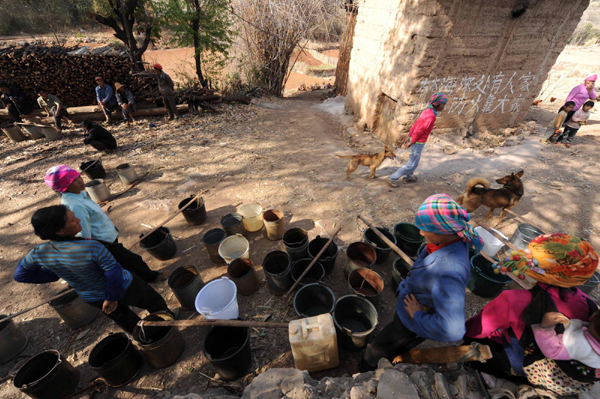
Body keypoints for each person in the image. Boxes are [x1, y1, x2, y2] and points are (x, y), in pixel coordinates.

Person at [360, 193, 483, 371]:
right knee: (395, 341)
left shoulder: (451, 270)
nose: (421, 232)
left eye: (426, 229)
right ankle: (391, 354)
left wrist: (420, 315)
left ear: (444, 231)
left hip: (410, 323)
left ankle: (364, 370)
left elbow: (453, 330)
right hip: (409, 314)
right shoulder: (445, 241)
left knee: (377, 348)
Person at [464, 233, 599, 395]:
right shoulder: (588, 304)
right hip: (565, 368)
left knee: (472, 345)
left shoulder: (514, 299)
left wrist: (465, 336)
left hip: (527, 364)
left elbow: (477, 328)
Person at [14, 205, 174, 333]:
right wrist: (112, 297)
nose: (78, 220)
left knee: (126, 320)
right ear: (60, 231)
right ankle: (169, 321)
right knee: (153, 301)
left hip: (94, 297)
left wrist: (56, 273)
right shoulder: (91, 247)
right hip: (125, 287)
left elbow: (21, 275)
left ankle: (148, 339)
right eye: (72, 220)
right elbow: (114, 273)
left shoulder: (39, 252)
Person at [44, 164, 166, 284]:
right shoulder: (75, 206)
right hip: (103, 243)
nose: (80, 181)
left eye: (78, 177)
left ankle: (129, 278)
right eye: (74, 181)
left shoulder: (79, 195)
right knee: (133, 261)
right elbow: (83, 233)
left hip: (107, 236)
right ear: (65, 188)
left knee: (121, 262)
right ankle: (151, 277)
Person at [387, 92, 448, 187]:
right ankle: (393, 178)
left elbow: (416, 124)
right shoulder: (431, 116)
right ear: (438, 104)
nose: (444, 107)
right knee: (412, 163)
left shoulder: (427, 111)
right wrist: (412, 141)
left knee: (414, 162)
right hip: (418, 142)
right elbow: (420, 130)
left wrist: (410, 135)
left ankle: (408, 176)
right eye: (443, 105)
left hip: (416, 139)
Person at [531, 310, 600, 370]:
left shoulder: (581, 345)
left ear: (593, 316)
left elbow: (554, 352)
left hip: (563, 372)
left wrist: (546, 327)